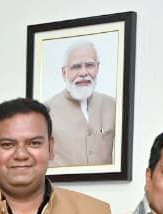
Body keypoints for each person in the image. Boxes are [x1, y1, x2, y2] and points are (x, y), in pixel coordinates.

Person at [44, 39, 116, 167]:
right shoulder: (46, 111)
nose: (83, 73)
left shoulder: (113, 106)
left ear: (97, 67)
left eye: (89, 65)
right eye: (76, 67)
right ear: (64, 72)